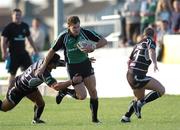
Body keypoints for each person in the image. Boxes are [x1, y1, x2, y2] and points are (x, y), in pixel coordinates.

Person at [36, 16, 107, 123]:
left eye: (78, 27)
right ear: (69, 27)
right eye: (74, 28)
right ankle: (66, 91)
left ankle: (95, 120)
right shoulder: (63, 37)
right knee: (82, 96)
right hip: (73, 68)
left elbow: (104, 41)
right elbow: (51, 51)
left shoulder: (85, 32)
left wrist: (93, 47)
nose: (77, 29)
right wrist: (43, 66)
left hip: (86, 64)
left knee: (93, 91)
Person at [0, 53, 82, 124]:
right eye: (55, 64)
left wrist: (83, 61)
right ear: (49, 64)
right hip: (18, 89)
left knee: (40, 104)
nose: (56, 65)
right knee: (4, 108)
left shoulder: (46, 61)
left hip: (29, 87)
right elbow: (56, 87)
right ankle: (65, 91)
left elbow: (64, 62)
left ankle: (36, 120)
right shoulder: (43, 72)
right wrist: (72, 81)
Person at [121, 27, 165, 123]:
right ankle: (141, 103)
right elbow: (151, 51)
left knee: (138, 98)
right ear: (153, 36)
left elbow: (129, 60)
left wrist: (132, 72)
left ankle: (126, 117)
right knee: (161, 90)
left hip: (130, 75)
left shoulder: (137, 44)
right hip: (138, 75)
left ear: (143, 35)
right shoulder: (150, 41)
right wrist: (154, 63)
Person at [1, 8, 38, 92]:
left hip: (24, 54)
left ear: (21, 16)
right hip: (13, 54)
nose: (17, 16)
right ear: (12, 16)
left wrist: (35, 49)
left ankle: (28, 91)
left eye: (19, 15)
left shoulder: (25, 26)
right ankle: (9, 93)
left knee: (30, 72)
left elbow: (29, 38)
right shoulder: (9, 27)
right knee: (12, 74)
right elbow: (3, 41)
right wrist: (4, 52)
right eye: (16, 15)